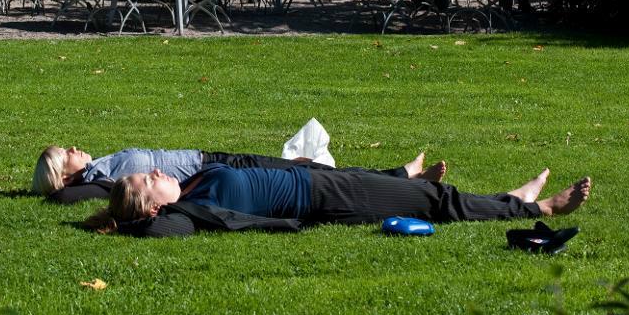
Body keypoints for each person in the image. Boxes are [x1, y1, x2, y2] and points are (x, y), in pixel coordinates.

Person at [86, 164, 592, 237]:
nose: (155, 171)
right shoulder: (185, 212)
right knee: (434, 201)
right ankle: (538, 209)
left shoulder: (193, 183)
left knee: (429, 194)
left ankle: (513, 199)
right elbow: (156, 230)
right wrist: (124, 223)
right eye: (148, 180)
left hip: (322, 180)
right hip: (329, 200)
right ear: (154, 206)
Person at [34, 143, 447, 202]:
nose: (73, 148)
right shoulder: (97, 183)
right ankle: (399, 176)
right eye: (64, 153)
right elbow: (60, 197)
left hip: (209, 159)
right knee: (305, 169)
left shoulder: (98, 168)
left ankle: (397, 176)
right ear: (64, 175)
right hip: (212, 170)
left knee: (304, 166)